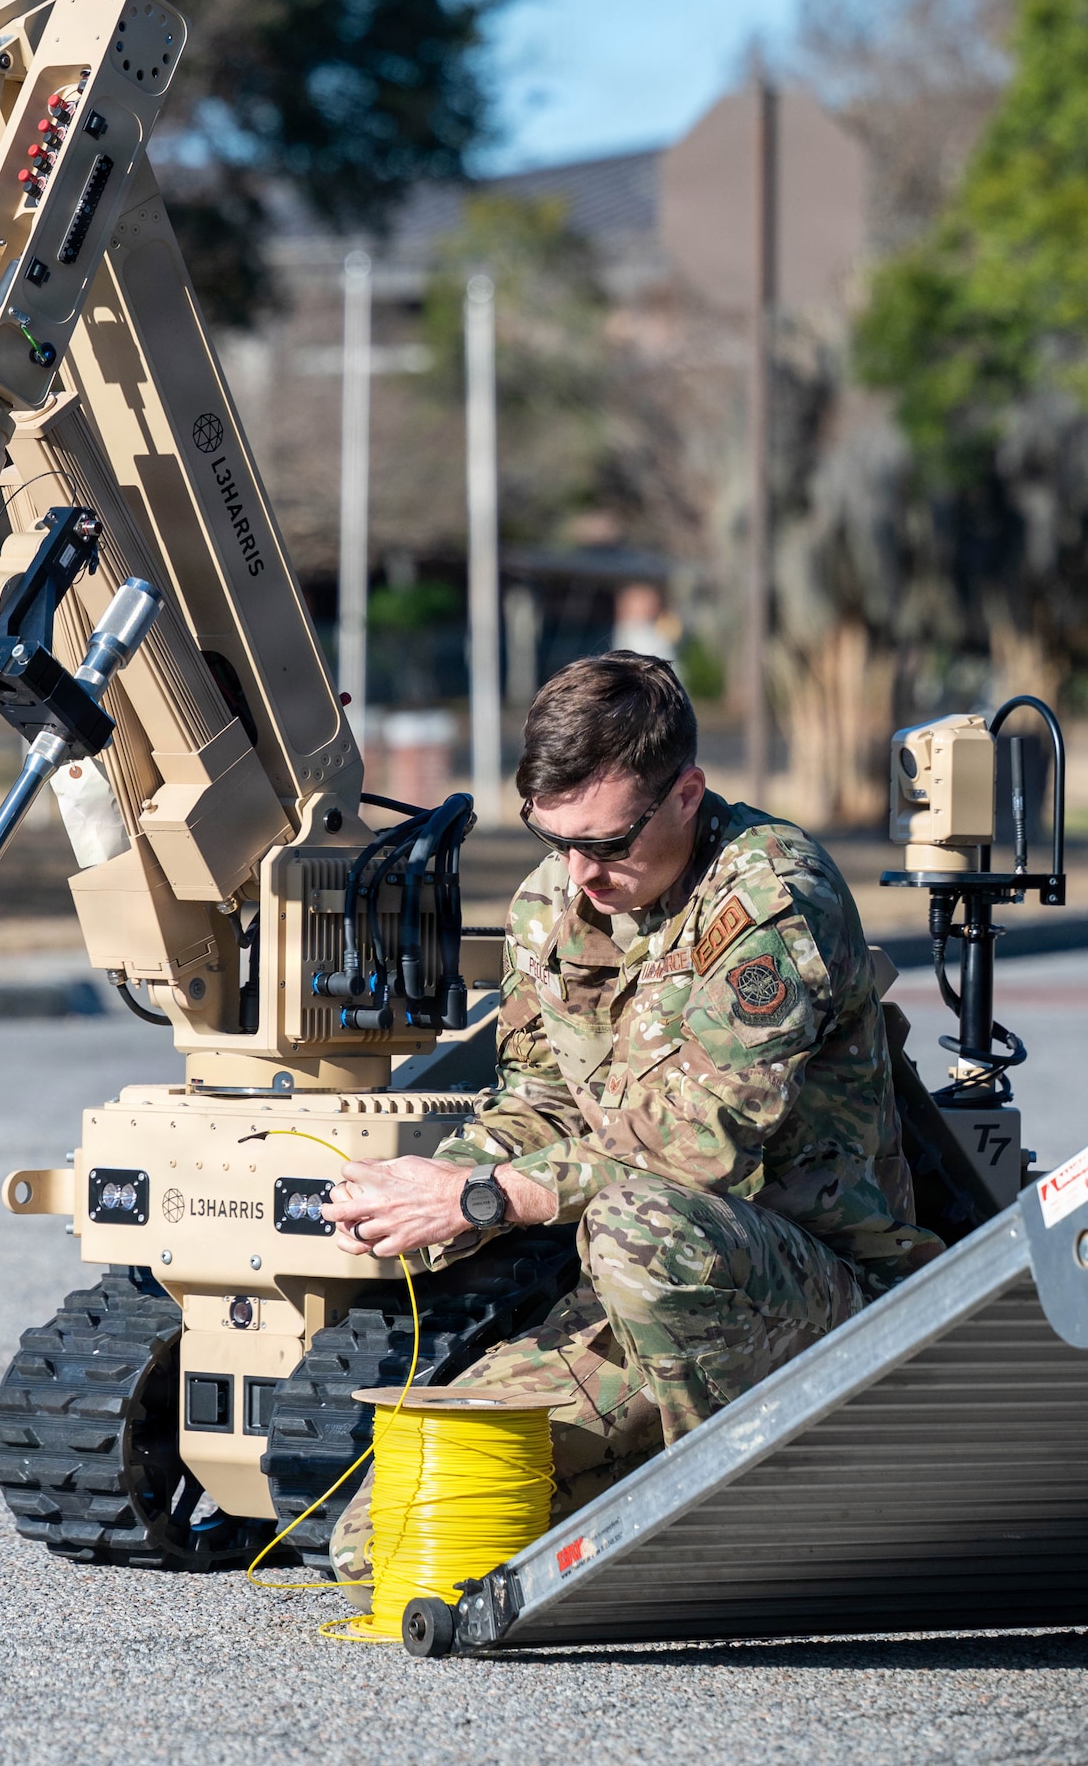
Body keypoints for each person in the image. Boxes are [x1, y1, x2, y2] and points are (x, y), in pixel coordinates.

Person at [322, 653, 942, 1585]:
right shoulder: (552, 906)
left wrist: (486, 1201)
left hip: (817, 1294)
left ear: (686, 793)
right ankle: (648, 1468)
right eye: (554, 838)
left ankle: (749, 1529)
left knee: (636, 1228)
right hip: (640, 1296)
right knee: (390, 1543)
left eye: (608, 844)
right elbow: (538, 1101)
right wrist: (424, 1192)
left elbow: (697, 1150)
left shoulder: (771, 899)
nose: (581, 873)